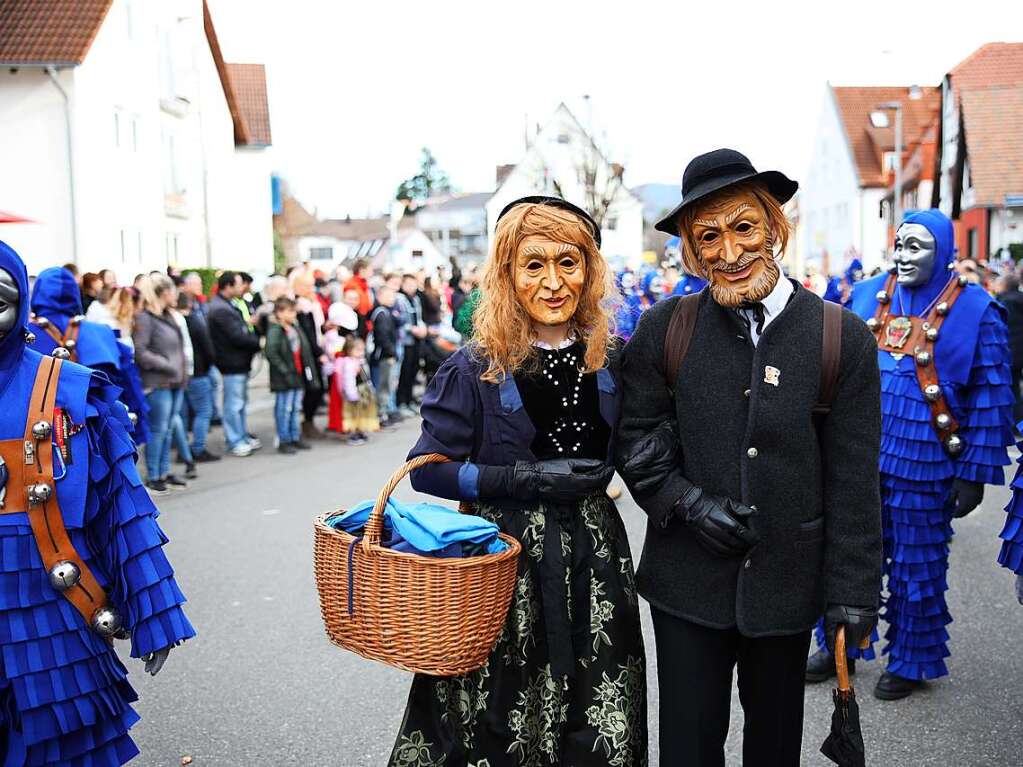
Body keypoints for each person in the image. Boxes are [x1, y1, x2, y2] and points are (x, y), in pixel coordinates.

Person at [617, 149, 881, 766]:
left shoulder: (841, 337)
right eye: (708, 236)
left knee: (773, 749)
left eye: (743, 228)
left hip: (787, 585)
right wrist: (687, 503)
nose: (729, 253)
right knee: (687, 747)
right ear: (689, 246)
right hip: (686, 585)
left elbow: (853, 479)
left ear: (775, 226)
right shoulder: (665, 329)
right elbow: (636, 441)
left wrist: (854, 591)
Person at [388, 197, 646, 766]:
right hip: (505, 567)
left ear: (590, 270)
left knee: (597, 713)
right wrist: (521, 478)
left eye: (568, 263)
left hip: (596, 563)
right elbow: (426, 472)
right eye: (534, 265)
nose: (553, 282)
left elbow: (644, 448)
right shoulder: (475, 365)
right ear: (507, 275)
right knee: (497, 718)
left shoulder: (612, 358)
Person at [0, 241, 196, 766]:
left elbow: (121, 506)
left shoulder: (69, 390)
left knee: (65, 748)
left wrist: (154, 611)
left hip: (55, 621)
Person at [806, 209, 1014, 701]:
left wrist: (975, 473)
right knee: (845, 555)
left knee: (916, 566)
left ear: (944, 252)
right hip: (857, 455)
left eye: (916, 246)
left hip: (926, 462)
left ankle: (912, 658)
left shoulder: (978, 310)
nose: (903, 255)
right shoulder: (864, 295)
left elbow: (991, 394)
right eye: (899, 244)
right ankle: (843, 646)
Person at [28, 268, 150, 446]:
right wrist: (136, 434)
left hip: (38, 439)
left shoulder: (23, 338)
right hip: (98, 438)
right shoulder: (101, 334)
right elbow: (129, 388)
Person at [133, 274, 191, 495]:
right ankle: (154, 476)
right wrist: (166, 364)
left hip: (175, 380)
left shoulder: (168, 316)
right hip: (159, 382)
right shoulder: (146, 318)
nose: (176, 294)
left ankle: (164, 472)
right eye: (173, 290)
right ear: (163, 293)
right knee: (158, 430)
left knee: (166, 431)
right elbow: (141, 351)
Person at [207, 271, 262, 457]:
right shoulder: (220, 308)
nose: (242, 288)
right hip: (232, 363)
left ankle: (241, 435)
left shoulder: (227, 304)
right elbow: (237, 336)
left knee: (239, 402)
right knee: (234, 403)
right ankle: (235, 439)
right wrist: (257, 342)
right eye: (238, 284)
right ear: (228, 286)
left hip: (238, 362)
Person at [265, 296, 315, 454]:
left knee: (295, 408)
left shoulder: (294, 327)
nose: (293, 314)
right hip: (285, 377)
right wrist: (285, 371)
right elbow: (271, 353)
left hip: (297, 375)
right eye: (290, 311)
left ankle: (295, 436)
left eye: (294, 311)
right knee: (284, 409)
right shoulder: (275, 330)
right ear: (279, 313)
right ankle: (284, 439)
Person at [179, 291, 219, 463]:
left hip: (181, 374)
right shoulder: (194, 321)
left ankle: (183, 448)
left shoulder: (172, 322)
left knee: (183, 414)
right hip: (198, 372)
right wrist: (209, 363)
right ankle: (198, 448)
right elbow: (207, 347)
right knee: (204, 411)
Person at [335, 336, 376, 446]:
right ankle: (354, 434)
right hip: (354, 393)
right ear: (349, 350)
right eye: (357, 350)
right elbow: (348, 381)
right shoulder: (349, 364)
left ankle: (361, 430)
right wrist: (351, 394)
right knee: (354, 414)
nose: (360, 353)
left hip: (363, 392)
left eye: (362, 350)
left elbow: (366, 377)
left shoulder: (360, 361)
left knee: (362, 413)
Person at [396, 273, 426, 415]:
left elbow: (419, 318)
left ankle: (409, 400)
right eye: (409, 284)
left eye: (414, 284)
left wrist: (422, 328)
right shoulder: (399, 299)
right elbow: (400, 323)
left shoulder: (416, 299)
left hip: (416, 340)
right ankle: (402, 402)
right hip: (406, 341)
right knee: (405, 372)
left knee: (414, 370)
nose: (412, 287)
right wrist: (412, 329)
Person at [370, 285, 399, 426]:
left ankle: (385, 412)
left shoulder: (386, 313)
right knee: (383, 386)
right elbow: (383, 337)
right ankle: (381, 415)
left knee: (386, 385)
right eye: (389, 296)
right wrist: (391, 352)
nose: (392, 299)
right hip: (383, 356)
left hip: (385, 354)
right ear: (380, 297)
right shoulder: (381, 314)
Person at [996, 272, 1023, 422]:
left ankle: (1016, 422)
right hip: (1018, 351)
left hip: (1010, 352)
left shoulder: (1006, 302)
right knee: (1015, 387)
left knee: (1011, 389)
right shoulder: (1019, 298)